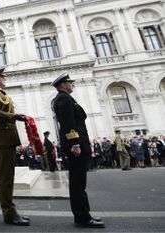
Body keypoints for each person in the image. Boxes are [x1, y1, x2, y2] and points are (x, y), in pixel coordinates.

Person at [51, 72, 104, 228]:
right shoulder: (63, 98)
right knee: (77, 183)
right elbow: (68, 123)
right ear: (62, 85)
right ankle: (82, 217)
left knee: (79, 183)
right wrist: (75, 143)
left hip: (79, 145)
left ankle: (83, 215)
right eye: (69, 82)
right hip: (76, 146)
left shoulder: (66, 98)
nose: (72, 84)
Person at [0, 68, 29, 226]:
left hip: (7, 138)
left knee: (8, 177)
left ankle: (11, 211)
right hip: (1, 138)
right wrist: (14, 117)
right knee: (5, 178)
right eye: (3, 77)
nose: (5, 79)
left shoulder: (1, 93)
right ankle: (9, 214)